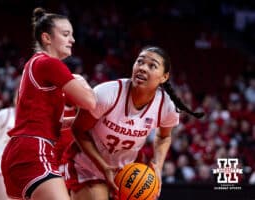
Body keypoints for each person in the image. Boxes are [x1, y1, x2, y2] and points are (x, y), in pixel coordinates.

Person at [64, 46, 204, 200]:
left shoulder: (167, 106)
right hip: (87, 165)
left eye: (152, 66)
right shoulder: (107, 93)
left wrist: (157, 164)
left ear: (164, 77)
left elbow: (164, 137)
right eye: (140, 62)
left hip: (129, 170)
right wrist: (104, 167)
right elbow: (78, 130)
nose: (143, 68)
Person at [1, 7, 96, 200]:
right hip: (35, 150)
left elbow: (41, 119)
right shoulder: (50, 64)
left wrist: (73, 122)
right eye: (66, 34)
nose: (73, 40)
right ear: (47, 38)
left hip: (18, 151)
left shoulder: (33, 63)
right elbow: (90, 102)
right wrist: (82, 83)